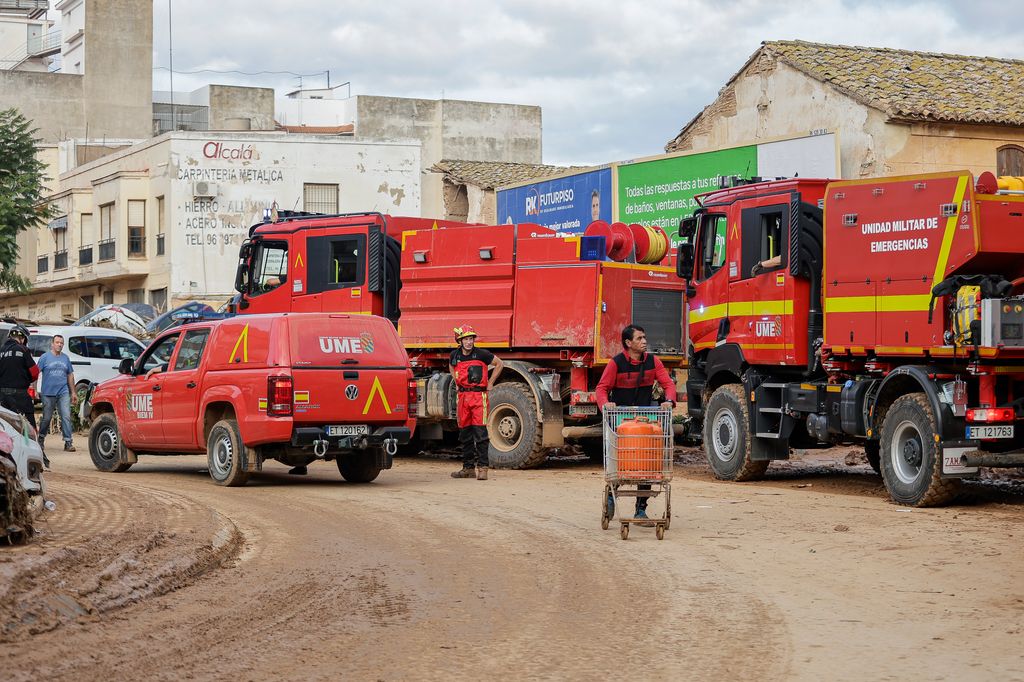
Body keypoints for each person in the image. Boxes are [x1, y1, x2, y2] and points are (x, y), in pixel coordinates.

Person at [595, 324, 676, 519]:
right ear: (628, 343)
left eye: (644, 337)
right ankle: (613, 492)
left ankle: (641, 509)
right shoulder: (616, 363)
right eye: (639, 338)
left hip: (646, 418)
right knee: (618, 461)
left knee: (647, 461)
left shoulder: (653, 362)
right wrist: (606, 405)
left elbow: (668, 384)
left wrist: (669, 401)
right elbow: (601, 389)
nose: (644, 341)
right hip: (620, 420)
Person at [450, 324, 503, 480]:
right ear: (460, 341)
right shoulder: (454, 355)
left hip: (479, 397)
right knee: (465, 434)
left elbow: (500, 364)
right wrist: (456, 380)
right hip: (463, 397)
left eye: (471, 339)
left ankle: (483, 468)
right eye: (466, 339)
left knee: (480, 434)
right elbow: (451, 367)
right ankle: (468, 468)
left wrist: (491, 382)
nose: (469, 342)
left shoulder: (482, 354)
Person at [0, 325, 43, 465]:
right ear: (23, 338)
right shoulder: (23, 350)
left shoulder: (0, 350)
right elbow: (35, 372)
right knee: (29, 426)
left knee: (4, 427)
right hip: (20, 397)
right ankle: (36, 457)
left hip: (2, 397)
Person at [37, 334, 78, 453]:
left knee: (66, 416)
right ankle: (41, 439)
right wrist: (33, 389)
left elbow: (70, 375)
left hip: (63, 392)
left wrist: (73, 392)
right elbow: (36, 373)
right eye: (57, 342)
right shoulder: (44, 357)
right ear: (52, 344)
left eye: (61, 343)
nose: (59, 345)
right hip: (48, 393)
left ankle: (68, 442)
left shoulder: (65, 358)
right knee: (46, 418)